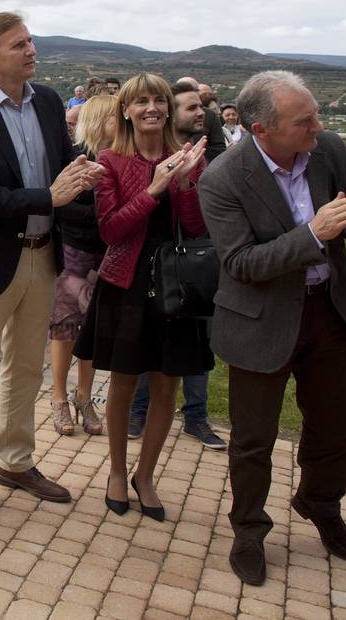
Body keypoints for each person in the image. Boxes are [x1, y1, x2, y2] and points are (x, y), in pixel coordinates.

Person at [200, 70, 346, 586]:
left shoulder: (327, 150)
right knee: (253, 440)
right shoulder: (223, 178)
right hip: (259, 321)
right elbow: (240, 263)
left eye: (317, 116)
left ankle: (320, 504)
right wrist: (313, 234)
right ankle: (250, 530)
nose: (319, 127)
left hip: (326, 311)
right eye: (306, 120)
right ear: (262, 129)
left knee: (334, 427)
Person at [0, 12, 100, 524]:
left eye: (31, 42)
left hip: (42, 254)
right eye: (19, 44)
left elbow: (63, 168)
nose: (32, 50)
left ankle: (15, 462)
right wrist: (45, 195)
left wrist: (84, 174)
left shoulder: (50, 101)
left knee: (27, 368)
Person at [73, 73, 210, 523]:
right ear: (126, 111)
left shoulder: (187, 158)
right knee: (125, 383)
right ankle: (116, 471)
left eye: (159, 100)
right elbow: (111, 229)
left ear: (169, 109)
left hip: (177, 285)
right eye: (141, 102)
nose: (151, 108)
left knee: (166, 383)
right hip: (127, 282)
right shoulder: (111, 161)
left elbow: (196, 228)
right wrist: (154, 189)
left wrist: (185, 183)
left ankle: (145, 475)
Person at [125, 80, 228, 450]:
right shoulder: (137, 157)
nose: (199, 113)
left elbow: (200, 220)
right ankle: (139, 410)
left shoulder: (211, 157)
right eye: (190, 108)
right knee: (146, 346)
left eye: (202, 108)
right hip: (150, 268)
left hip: (196, 263)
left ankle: (196, 417)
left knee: (195, 344)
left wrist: (187, 181)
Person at [47, 93, 115, 436]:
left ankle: (84, 396)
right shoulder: (77, 159)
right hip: (74, 256)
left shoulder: (118, 158)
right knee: (65, 329)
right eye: (115, 116)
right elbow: (64, 206)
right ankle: (59, 397)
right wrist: (107, 215)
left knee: (93, 330)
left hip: (106, 257)